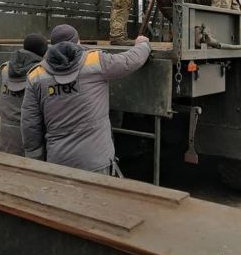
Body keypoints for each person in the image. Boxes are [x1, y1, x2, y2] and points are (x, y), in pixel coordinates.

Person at [21, 35, 151, 174]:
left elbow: (29, 124)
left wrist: (35, 161)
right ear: (78, 43)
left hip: (58, 161)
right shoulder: (95, 62)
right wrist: (143, 45)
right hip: (96, 161)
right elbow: (129, 61)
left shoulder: (36, 76)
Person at [0, 33, 48, 155]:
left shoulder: (6, 68)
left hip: (5, 138)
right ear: (43, 51)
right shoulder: (40, 73)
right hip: (29, 142)